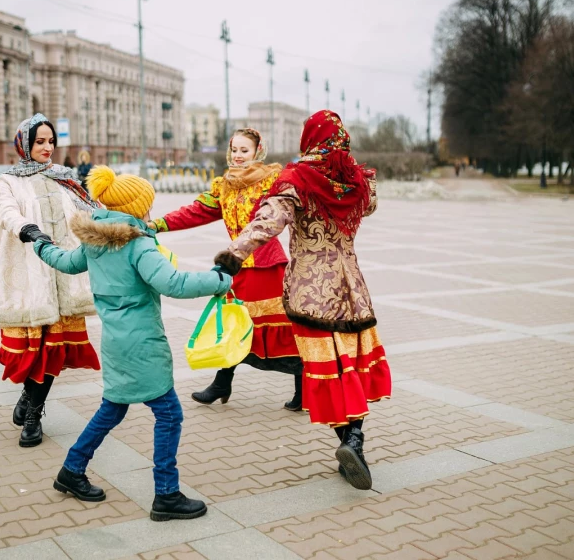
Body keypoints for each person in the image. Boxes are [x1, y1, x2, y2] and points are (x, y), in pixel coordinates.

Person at [34, 165, 231, 521]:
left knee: (113, 408)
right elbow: (174, 284)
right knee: (169, 414)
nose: (150, 211)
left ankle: (71, 470)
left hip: (115, 343)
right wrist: (219, 280)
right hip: (142, 344)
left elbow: (63, 261)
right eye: (147, 205)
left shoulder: (94, 242)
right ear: (137, 208)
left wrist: (39, 243)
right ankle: (166, 495)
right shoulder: (138, 244)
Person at [213, 110, 391, 491]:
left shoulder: (296, 180)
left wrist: (232, 255)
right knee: (350, 366)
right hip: (352, 289)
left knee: (328, 369)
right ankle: (355, 440)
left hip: (311, 290)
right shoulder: (357, 181)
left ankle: (350, 441)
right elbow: (369, 205)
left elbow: (268, 222)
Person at [0, 113, 101, 447]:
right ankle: (28, 398)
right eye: (39, 141)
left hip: (64, 274)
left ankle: (33, 412)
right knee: (34, 348)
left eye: (50, 141)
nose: (47, 147)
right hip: (32, 276)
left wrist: (125, 215)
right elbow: (6, 211)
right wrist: (27, 229)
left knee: (54, 350)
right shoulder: (9, 180)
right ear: (24, 144)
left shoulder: (65, 179)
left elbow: (91, 210)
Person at [149, 128, 302, 410]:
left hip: (267, 266)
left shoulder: (272, 181)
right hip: (236, 266)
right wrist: (157, 224)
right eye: (234, 150)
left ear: (258, 151)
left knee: (275, 327)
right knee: (232, 324)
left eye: (245, 150)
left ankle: (303, 385)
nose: (238, 156)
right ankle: (222, 383)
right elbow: (195, 211)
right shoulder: (225, 185)